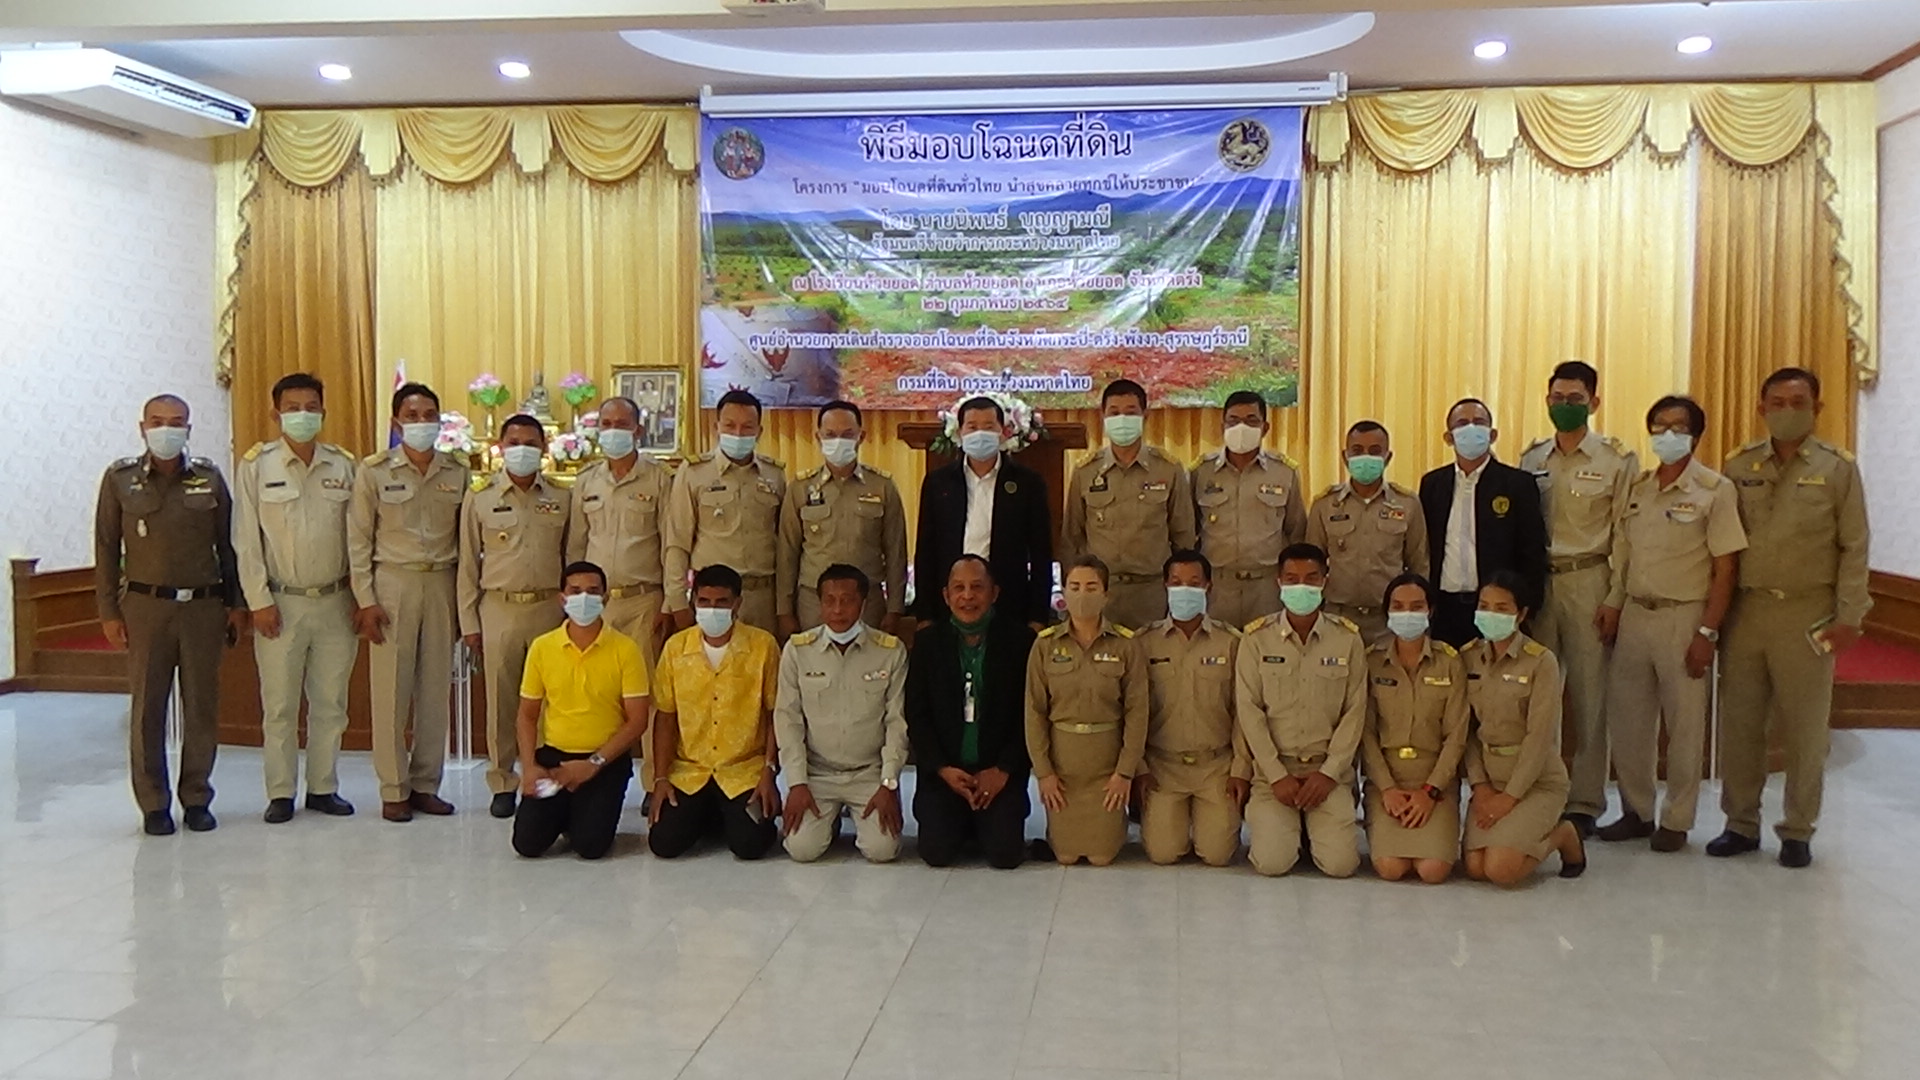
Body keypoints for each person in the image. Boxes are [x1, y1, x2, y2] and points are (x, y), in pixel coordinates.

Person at [1710, 367, 1871, 868]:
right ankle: (1740, 823)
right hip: (1746, 611)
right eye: (1777, 403)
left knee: (1805, 730)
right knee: (1740, 726)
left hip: (1808, 614)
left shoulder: (1838, 469)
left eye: (1798, 402)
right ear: (1762, 409)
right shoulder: (1739, 465)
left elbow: (1855, 546)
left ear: (1816, 408)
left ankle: (1798, 829)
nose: (1787, 411)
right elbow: (1722, 544)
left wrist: (1850, 615)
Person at [1595, 396, 1744, 852]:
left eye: (1678, 427)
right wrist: (1614, 603)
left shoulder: (1714, 490)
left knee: (1684, 726)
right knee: (1629, 721)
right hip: (1635, 614)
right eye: (1659, 427)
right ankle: (1637, 811)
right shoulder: (1639, 488)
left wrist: (1708, 632)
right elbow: (1624, 555)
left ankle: (1677, 820)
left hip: (1685, 617)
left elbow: (1725, 569)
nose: (1667, 435)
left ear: (1695, 436)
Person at [95, 394, 244, 835]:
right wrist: (108, 610)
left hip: (203, 607)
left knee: (201, 706)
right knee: (148, 709)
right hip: (145, 607)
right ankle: (154, 803)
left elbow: (229, 546)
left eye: (176, 422)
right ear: (142, 428)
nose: (167, 429)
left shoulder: (209, 478)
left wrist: (236, 603)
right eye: (158, 421)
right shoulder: (120, 479)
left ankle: (196, 796)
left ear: (188, 429)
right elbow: (106, 548)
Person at [1516, 360, 1637, 836]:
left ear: (1594, 402)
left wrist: (1615, 597)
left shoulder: (1616, 460)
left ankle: (1585, 801)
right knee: (1538, 695)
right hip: (1539, 585)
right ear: (1547, 401)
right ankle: (1542, 790)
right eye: (1558, 399)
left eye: (1575, 399)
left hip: (1590, 582)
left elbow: (1625, 534)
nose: (1565, 406)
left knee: (1591, 698)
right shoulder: (1532, 459)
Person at [231, 373, 359, 824]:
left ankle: (323, 787)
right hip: (280, 603)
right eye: (292, 408)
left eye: (311, 407)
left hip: (336, 601)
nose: (302, 415)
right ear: (276, 413)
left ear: (323, 412)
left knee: (331, 703)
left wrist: (361, 597)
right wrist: (258, 601)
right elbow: (246, 541)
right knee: (280, 706)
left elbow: (358, 537)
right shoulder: (256, 466)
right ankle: (281, 792)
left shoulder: (343, 466)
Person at [348, 382, 471, 822]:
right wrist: (365, 598)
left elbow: (466, 541)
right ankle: (393, 787)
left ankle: (425, 785)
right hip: (392, 584)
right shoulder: (374, 471)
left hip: (441, 582)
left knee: (436, 691)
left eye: (429, 416)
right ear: (397, 422)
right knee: (391, 693)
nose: (422, 423)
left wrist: (464, 604)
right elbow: (358, 539)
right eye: (412, 416)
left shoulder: (456, 472)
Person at [460, 414, 571, 819]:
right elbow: (467, 565)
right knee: (502, 701)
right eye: (514, 442)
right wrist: (469, 623)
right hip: (499, 608)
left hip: (548, 609)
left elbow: (572, 557)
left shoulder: (562, 497)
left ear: (543, 449)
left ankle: (542, 776)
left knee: (549, 701)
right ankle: (503, 781)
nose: (522, 449)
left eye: (530, 443)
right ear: (500, 446)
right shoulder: (480, 498)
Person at [1234, 543, 1367, 877]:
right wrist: (1276, 774)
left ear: (1325, 580)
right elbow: (1249, 711)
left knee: (1340, 866)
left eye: (1311, 578)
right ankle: (1294, 830)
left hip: (1328, 773)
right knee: (1272, 864)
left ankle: (1312, 829)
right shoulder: (1256, 639)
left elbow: (1355, 712)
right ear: (1278, 582)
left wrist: (1329, 774)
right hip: (1275, 773)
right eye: (1292, 579)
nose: (1301, 587)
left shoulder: (1348, 639)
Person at [511, 561, 651, 860]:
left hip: (604, 759)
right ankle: (565, 812)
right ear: (562, 598)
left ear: (605, 598)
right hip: (554, 757)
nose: (584, 598)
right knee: (527, 844)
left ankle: (581, 812)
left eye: (592, 591)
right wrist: (529, 767)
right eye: (575, 591)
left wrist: (593, 763)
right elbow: (527, 715)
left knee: (590, 847)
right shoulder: (542, 647)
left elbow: (638, 720)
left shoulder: (626, 649)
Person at [906, 555, 1038, 868]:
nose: (967, 596)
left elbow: (1030, 715)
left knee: (1005, 856)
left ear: (994, 593)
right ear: (946, 595)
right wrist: (942, 769)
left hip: (998, 772)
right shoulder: (927, 644)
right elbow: (917, 714)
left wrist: (1003, 769)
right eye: (959, 588)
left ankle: (982, 823)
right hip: (946, 774)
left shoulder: (1020, 643)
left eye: (977, 587)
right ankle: (964, 822)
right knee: (936, 854)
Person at [774, 565, 909, 863]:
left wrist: (888, 783)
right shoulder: (798, 651)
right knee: (802, 849)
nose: (838, 610)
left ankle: (847, 816)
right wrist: (796, 783)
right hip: (818, 773)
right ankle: (829, 821)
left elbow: (896, 723)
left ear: (864, 603)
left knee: (882, 851)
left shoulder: (889, 651)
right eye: (829, 600)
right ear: (819, 603)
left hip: (868, 773)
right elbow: (788, 721)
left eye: (847, 600)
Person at [646, 564, 782, 859]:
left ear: (738, 604)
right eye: (704, 601)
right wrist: (660, 779)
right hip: (690, 770)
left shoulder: (763, 646)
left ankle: (730, 815)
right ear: (693, 601)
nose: (712, 609)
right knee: (664, 843)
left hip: (743, 771)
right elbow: (665, 718)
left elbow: (775, 714)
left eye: (722, 602)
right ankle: (711, 815)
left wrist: (769, 772)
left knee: (750, 845)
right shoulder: (675, 648)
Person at [1461, 571, 1587, 885]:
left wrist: (1510, 797)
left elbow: (1539, 739)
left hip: (1535, 782)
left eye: (1501, 608)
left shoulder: (1541, 662)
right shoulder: (1468, 658)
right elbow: (1467, 732)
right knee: (1475, 868)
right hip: (1491, 780)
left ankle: (1563, 835)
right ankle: (1514, 836)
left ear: (1521, 614)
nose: (1491, 614)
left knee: (1501, 870)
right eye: (1484, 606)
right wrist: (1480, 787)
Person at [1026, 555, 1149, 866]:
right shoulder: (1045, 645)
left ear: (1106, 595)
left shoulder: (1125, 645)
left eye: (1092, 587)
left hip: (1106, 769)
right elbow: (1034, 712)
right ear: (1064, 592)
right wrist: (1044, 773)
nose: (1083, 595)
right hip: (1063, 769)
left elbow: (1137, 712)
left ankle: (1115, 824)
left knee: (1101, 857)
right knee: (1066, 856)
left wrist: (1125, 773)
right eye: (1075, 587)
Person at [1136, 549, 1250, 867]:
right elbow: (1133, 711)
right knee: (1163, 854)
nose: (1184, 590)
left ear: (1208, 587)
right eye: (1176, 583)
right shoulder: (1144, 642)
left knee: (1217, 855)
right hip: (1163, 767)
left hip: (1215, 766)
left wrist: (1240, 770)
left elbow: (1243, 712)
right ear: (1165, 586)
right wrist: (1139, 768)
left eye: (1194, 583)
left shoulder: (1231, 642)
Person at [1362, 573, 1469, 884]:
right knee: (1390, 868)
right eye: (1398, 606)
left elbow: (1457, 736)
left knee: (1433, 870)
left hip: (1434, 780)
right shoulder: (1371, 662)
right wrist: (1387, 788)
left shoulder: (1450, 662)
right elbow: (1365, 733)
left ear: (1430, 611)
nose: (1407, 614)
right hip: (1387, 779)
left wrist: (1430, 791)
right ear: (1387, 612)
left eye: (1416, 606)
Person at [1062, 379, 1195, 628]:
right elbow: (1072, 538)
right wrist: (1074, 594)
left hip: (1151, 594)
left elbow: (1183, 537)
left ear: (1145, 415)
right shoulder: (1085, 471)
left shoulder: (1168, 469)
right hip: (1100, 593)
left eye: (1131, 412)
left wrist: (1179, 592)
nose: (1122, 419)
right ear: (1102, 416)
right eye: (1114, 412)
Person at [912, 396, 1054, 627]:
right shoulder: (939, 482)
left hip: (1010, 604)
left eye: (989, 427)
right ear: (960, 433)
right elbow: (926, 552)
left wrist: (1037, 617)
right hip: (950, 603)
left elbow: (1041, 553)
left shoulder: (1028, 482)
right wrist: (925, 616)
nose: (980, 434)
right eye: (972, 427)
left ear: (1003, 432)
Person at [1419, 398, 1548, 647]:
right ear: (1448, 437)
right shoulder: (1433, 484)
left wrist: (1527, 608)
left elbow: (1532, 550)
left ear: (1492, 434)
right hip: (1444, 608)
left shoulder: (1517, 483)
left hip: (1496, 609)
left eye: (1478, 422)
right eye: (1462, 423)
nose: (1471, 428)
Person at [777, 400, 909, 639]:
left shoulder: (882, 486)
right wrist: (784, 610)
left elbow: (896, 552)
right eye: (830, 435)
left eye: (847, 434)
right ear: (818, 438)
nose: (838, 441)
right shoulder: (800, 487)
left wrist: (895, 608)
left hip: (867, 601)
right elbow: (787, 553)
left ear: (861, 436)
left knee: (866, 660)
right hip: (813, 603)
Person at [663, 390, 786, 634]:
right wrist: (677, 602)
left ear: (759, 431)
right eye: (730, 426)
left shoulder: (775, 475)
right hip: (712, 600)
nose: (738, 434)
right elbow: (677, 542)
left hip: (762, 598)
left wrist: (784, 606)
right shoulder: (694, 472)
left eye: (747, 427)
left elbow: (785, 545)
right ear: (716, 427)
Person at [568, 396, 674, 670]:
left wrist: (669, 602)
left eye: (622, 424)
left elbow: (670, 544)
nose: (613, 430)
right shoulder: (586, 479)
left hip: (643, 602)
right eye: (607, 424)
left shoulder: (659, 477)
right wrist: (574, 597)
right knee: (598, 683)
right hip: (595, 602)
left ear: (638, 430)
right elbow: (577, 544)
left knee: (642, 682)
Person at [1306, 420, 1430, 646]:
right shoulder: (1324, 505)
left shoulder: (1408, 504)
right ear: (1345, 457)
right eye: (1357, 450)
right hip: (1337, 617)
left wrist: (1414, 615)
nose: (1366, 457)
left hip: (1389, 620)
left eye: (1374, 451)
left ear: (1388, 457)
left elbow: (1419, 564)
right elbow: (1312, 565)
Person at [1193, 390, 1307, 630]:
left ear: (1265, 428)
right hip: (1216, 588)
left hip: (1267, 588)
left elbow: (1297, 533)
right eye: (1233, 421)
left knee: (1267, 651)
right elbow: (1187, 531)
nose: (1241, 427)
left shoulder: (1284, 472)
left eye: (1251, 420)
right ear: (1222, 426)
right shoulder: (1201, 472)